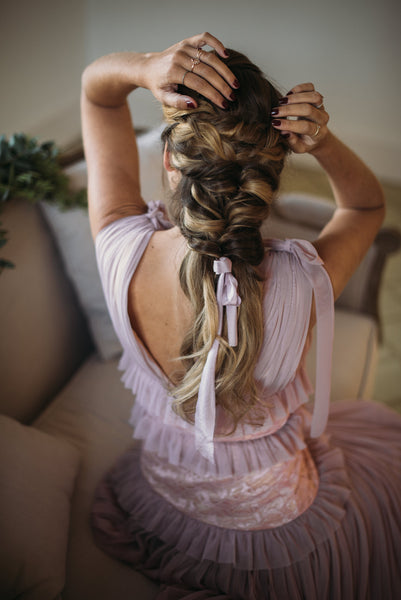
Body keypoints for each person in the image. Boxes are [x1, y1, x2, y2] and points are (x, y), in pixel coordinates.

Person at [82, 32, 401, 599]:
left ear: (169, 161)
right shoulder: (304, 281)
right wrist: (323, 142)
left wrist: (143, 65)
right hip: (275, 533)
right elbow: (367, 205)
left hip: (165, 501)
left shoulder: (117, 248)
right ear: (270, 181)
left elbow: (98, 94)